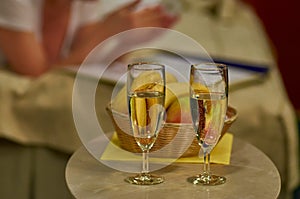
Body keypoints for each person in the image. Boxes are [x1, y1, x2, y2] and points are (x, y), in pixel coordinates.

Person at [0, 0, 178, 198]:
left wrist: (125, 38)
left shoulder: (81, 4)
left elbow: (88, 59)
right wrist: (106, 30)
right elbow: (37, 72)